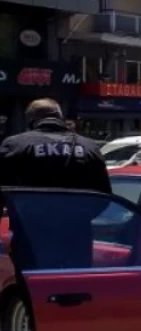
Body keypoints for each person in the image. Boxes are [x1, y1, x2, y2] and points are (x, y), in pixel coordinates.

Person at [0, 100, 112, 272]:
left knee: (34, 292)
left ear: (30, 121)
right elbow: (103, 197)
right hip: (76, 237)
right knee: (75, 290)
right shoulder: (89, 147)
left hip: (31, 235)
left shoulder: (15, 145)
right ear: (60, 117)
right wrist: (77, 217)